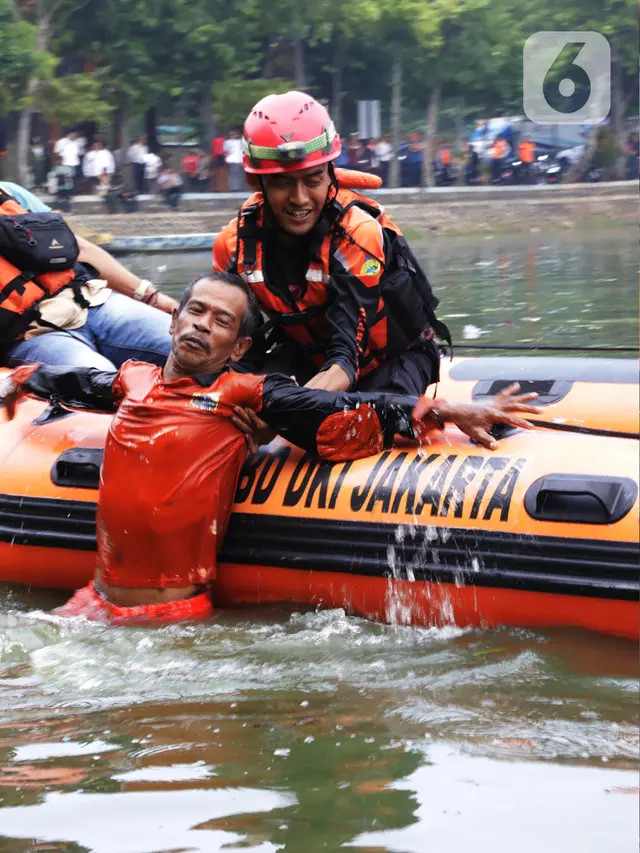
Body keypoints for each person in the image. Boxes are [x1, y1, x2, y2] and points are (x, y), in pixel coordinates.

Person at [0, 272, 541, 625]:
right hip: (91, 603)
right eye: (196, 311)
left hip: (167, 620)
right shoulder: (132, 380)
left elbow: (347, 409)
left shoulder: (244, 394)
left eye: (221, 322)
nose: (202, 326)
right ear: (173, 319)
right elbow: (71, 382)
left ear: (237, 348)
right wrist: (20, 378)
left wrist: (443, 410)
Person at [213, 91, 450, 403]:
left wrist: (281, 411)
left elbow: (344, 362)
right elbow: (241, 350)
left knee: (357, 420)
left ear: (329, 175)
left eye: (312, 180)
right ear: (258, 184)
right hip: (306, 358)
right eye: (283, 183)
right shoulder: (232, 246)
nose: (299, 199)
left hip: (387, 360)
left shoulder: (357, 234)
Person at [0, 180, 176, 369]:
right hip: (32, 335)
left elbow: (78, 249)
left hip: (91, 301)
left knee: (194, 346)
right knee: (101, 378)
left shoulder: (8, 192)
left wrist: (151, 296)